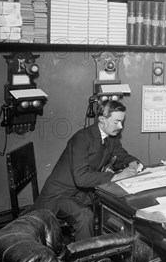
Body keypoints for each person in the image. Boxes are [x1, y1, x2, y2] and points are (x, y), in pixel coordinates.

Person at [34, 100, 142, 240]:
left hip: (80, 193)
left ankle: (105, 245)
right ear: (102, 120)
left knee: (110, 204)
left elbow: (122, 156)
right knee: (85, 216)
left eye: (122, 122)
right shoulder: (82, 139)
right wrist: (116, 177)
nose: (120, 126)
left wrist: (133, 163)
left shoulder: (111, 138)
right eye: (116, 122)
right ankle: (86, 259)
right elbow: (81, 178)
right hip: (58, 195)